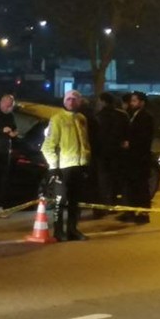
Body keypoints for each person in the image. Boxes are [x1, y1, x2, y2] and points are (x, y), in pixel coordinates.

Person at [41, 89, 91, 241]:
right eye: (69, 99)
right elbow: (48, 146)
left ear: (80, 102)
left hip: (80, 166)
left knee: (76, 201)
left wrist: (87, 162)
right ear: (64, 101)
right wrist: (53, 167)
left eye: (75, 99)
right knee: (60, 201)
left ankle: (72, 229)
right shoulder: (57, 119)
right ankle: (58, 231)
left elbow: (85, 142)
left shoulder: (82, 118)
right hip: (63, 167)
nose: (71, 102)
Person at [90, 92, 129, 218]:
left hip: (102, 154)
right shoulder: (122, 116)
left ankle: (103, 207)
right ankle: (114, 204)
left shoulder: (98, 117)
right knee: (116, 180)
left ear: (102, 101)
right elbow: (127, 134)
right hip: (118, 154)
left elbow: (93, 137)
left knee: (102, 181)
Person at [121, 90, 155, 224]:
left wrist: (131, 143)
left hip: (141, 158)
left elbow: (145, 138)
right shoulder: (132, 115)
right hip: (131, 158)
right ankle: (131, 212)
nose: (132, 103)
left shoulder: (146, 117)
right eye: (131, 101)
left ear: (142, 102)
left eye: (135, 101)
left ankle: (143, 214)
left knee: (141, 188)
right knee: (132, 187)